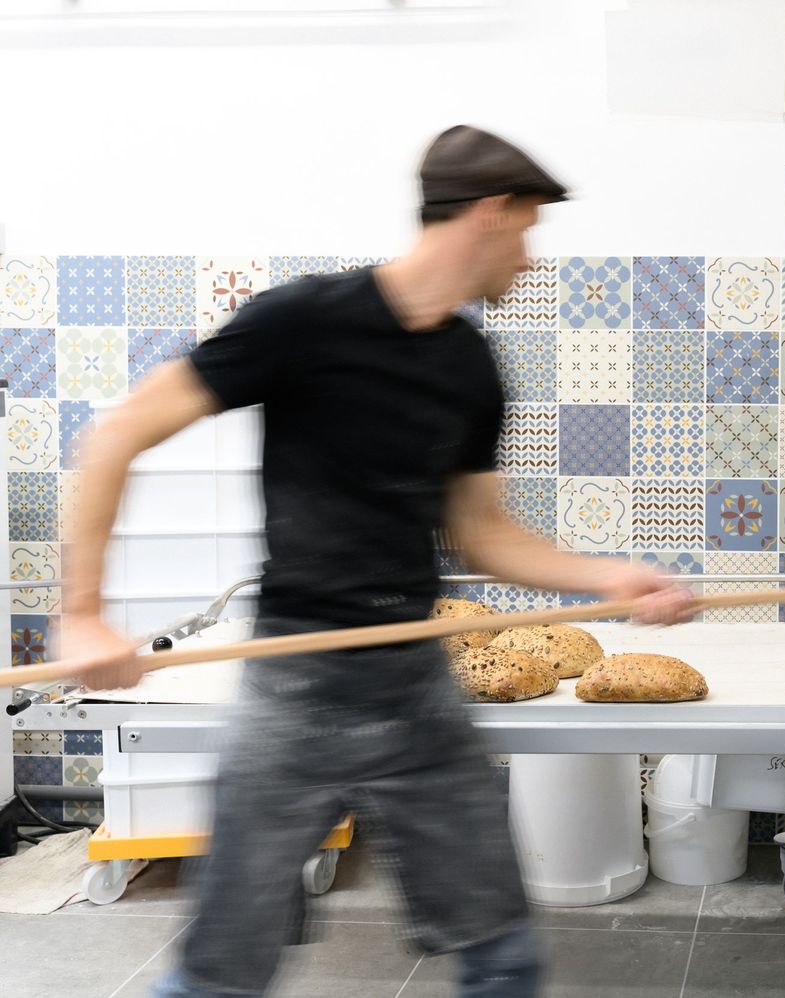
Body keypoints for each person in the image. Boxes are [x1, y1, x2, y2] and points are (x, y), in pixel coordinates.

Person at [60, 125, 694, 997]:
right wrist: (83, 615)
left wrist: (611, 578)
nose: (530, 256)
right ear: (488, 212)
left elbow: (483, 535)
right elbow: (117, 434)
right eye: (527, 229)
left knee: (503, 953)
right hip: (297, 688)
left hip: (414, 686)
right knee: (218, 973)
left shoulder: (468, 362)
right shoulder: (303, 320)